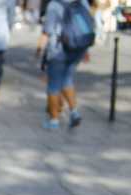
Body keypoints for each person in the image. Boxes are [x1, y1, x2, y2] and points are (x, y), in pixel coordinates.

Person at [36, 0, 92, 130]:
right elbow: (86, 26)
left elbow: (47, 31)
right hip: (77, 48)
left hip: (58, 50)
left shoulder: (54, 5)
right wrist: (85, 49)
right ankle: (74, 112)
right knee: (67, 79)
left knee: (53, 85)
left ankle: (54, 120)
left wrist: (39, 49)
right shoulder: (82, 2)